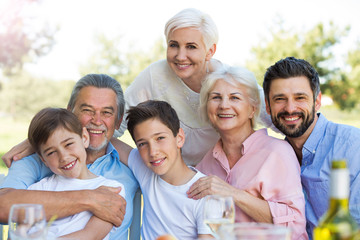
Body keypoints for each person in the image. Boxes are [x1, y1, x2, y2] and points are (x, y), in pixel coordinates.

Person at [117, 8, 273, 166]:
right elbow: (115, 124)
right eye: (173, 45)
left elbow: (277, 116)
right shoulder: (155, 75)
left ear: (210, 51)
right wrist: (140, 166)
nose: (180, 56)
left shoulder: (230, 82)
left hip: (224, 176)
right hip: (174, 179)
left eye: (191, 46)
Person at [0, 74, 138, 240]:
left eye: (107, 113)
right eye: (87, 110)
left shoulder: (131, 169)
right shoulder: (34, 161)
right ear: (70, 111)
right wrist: (90, 199)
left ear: (118, 121)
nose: (97, 120)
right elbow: (3, 206)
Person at [187, 65, 307, 240]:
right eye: (216, 98)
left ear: (252, 109)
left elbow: (294, 227)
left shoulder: (277, 153)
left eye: (234, 97)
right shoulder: (207, 163)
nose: (224, 105)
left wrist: (232, 193)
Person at [262, 57, 360, 239]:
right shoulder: (273, 157)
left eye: (300, 98)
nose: (290, 108)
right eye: (280, 99)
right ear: (268, 106)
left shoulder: (353, 147)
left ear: (317, 101)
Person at [27, 107, 126, 240]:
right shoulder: (38, 190)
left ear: (84, 138)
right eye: (51, 152)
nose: (63, 157)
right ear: (43, 159)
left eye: (68, 144)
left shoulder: (111, 190)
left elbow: (91, 235)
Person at [121, 100, 213, 239]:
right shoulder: (145, 168)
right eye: (143, 144)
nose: (153, 152)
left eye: (160, 138)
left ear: (179, 138)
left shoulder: (205, 194)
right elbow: (106, 139)